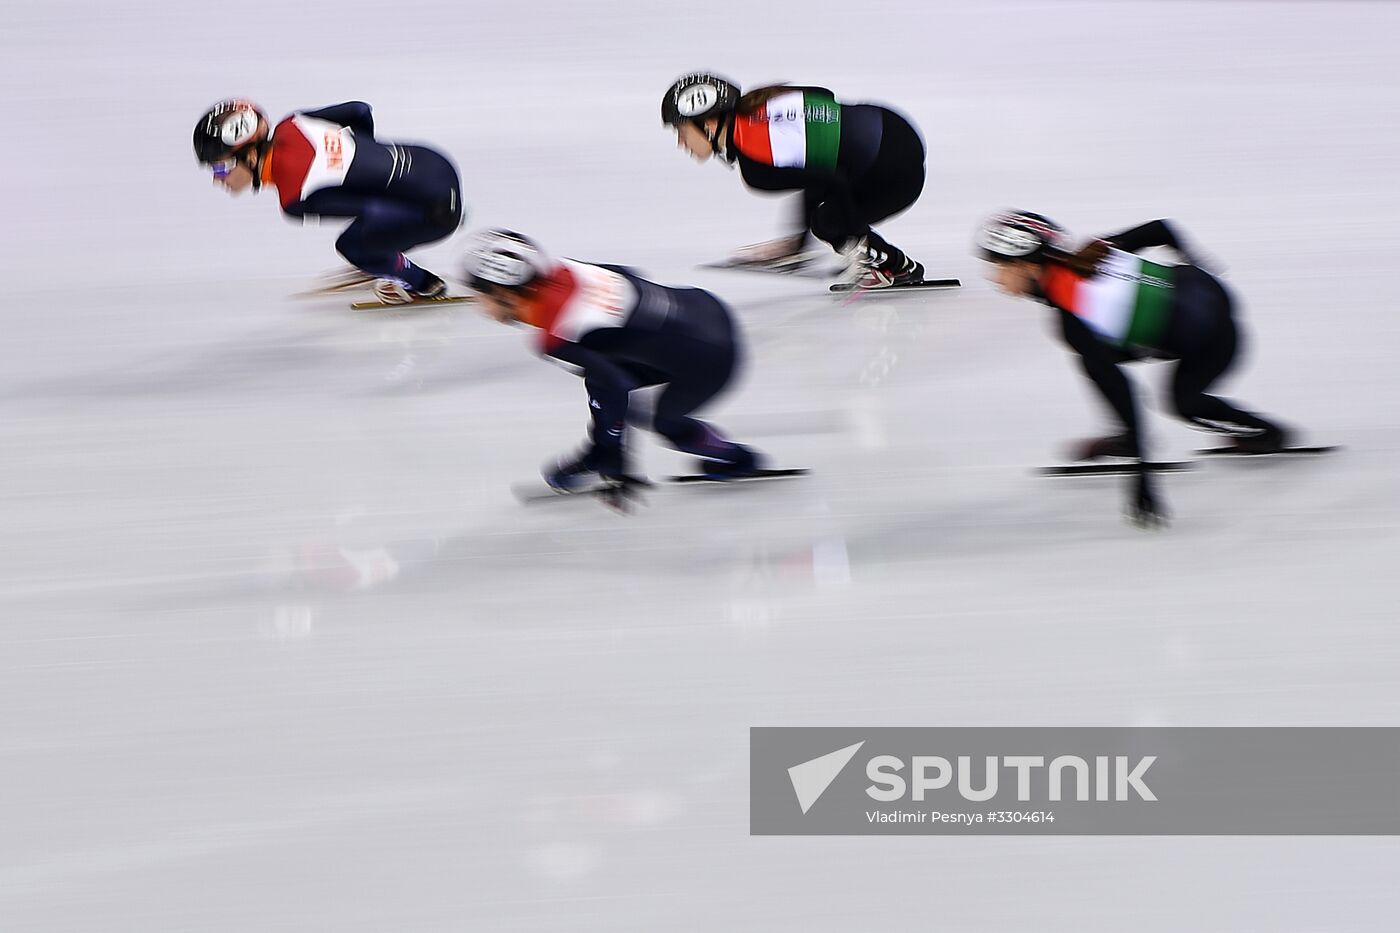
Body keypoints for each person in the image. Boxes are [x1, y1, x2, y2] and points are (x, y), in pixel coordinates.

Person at [975, 210, 1291, 527]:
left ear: (1029, 267)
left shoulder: (1074, 318)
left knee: (1183, 402)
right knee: (1097, 358)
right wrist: (1196, 262)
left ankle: (1269, 432)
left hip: (1211, 339)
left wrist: (1142, 476)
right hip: (1202, 293)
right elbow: (1160, 229)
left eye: (1000, 266)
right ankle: (1129, 435)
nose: (995, 279)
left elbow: (1124, 392)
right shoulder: (1092, 254)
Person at [461, 229, 764, 502]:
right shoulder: (565, 268)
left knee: (663, 421)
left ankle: (737, 458)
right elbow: (625, 273)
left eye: (480, 293)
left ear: (504, 294)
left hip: (710, 356)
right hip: (703, 306)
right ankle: (599, 454)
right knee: (598, 376)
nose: (478, 303)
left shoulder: (555, 334)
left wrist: (618, 463)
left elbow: (617, 386)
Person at [661, 73, 927, 288]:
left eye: (681, 131)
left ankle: (895, 266)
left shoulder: (755, 162)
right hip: (892, 125)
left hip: (895, 171)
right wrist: (797, 245)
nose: (680, 143)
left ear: (708, 124)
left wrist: (851, 239)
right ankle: (880, 257)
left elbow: (833, 182)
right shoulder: (758, 106)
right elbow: (821, 96)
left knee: (828, 224)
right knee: (827, 217)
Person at [193, 99, 463, 304]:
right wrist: (363, 155)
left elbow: (377, 212)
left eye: (220, 168)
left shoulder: (295, 197)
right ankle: (402, 240)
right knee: (372, 220)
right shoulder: (292, 124)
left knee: (353, 247)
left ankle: (422, 283)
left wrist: (385, 256)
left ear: (250, 158)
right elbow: (359, 110)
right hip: (435, 161)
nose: (218, 180)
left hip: (435, 212)